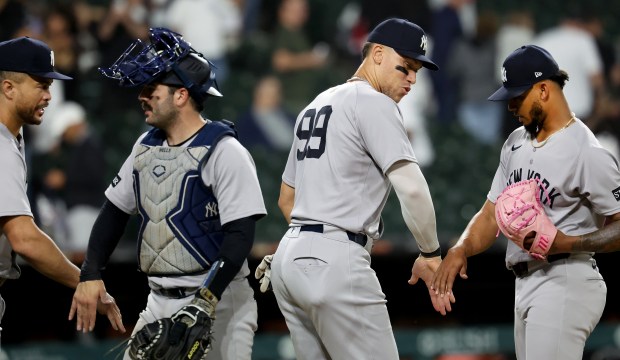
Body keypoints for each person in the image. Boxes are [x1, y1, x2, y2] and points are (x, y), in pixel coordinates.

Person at [261, 18, 455, 359]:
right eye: (406, 67)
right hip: (336, 258)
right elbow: (412, 190)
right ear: (377, 53)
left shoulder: (315, 104)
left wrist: (309, 244)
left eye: (417, 71)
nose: (412, 79)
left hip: (288, 259)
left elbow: (286, 199)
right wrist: (429, 253)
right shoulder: (374, 102)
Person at [69, 27, 266, 360]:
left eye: (151, 89)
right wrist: (90, 272)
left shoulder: (225, 151)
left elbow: (240, 236)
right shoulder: (144, 147)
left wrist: (206, 299)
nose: (141, 96)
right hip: (157, 300)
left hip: (219, 303)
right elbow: (114, 213)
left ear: (181, 95)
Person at [431, 45, 620, 360]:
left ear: (544, 89)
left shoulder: (586, 151)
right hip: (526, 282)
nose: (510, 105)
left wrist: (567, 243)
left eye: (517, 96)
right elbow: (491, 211)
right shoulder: (515, 142)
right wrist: (460, 248)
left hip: (566, 279)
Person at [0, 36, 124, 342]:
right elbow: (25, 239)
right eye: (41, 85)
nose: (49, 96)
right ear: (8, 88)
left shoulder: (12, 138)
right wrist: (85, 280)